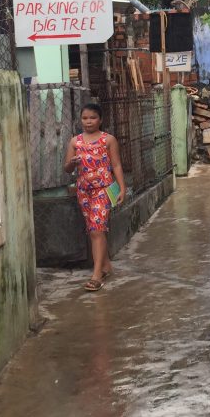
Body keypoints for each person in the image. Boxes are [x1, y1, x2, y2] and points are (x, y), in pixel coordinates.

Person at [64, 103, 126, 292]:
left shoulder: (108, 140)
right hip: (84, 191)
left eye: (92, 118)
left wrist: (122, 188)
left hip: (103, 190)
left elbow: (116, 165)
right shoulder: (75, 142)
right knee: (94, 230)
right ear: (80, 120)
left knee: (97, 230)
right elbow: (67, 168)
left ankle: (96, 275)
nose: (88, 121)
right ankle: (106, 265)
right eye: (85, 118)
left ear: (100, 120)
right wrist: (72, 164)